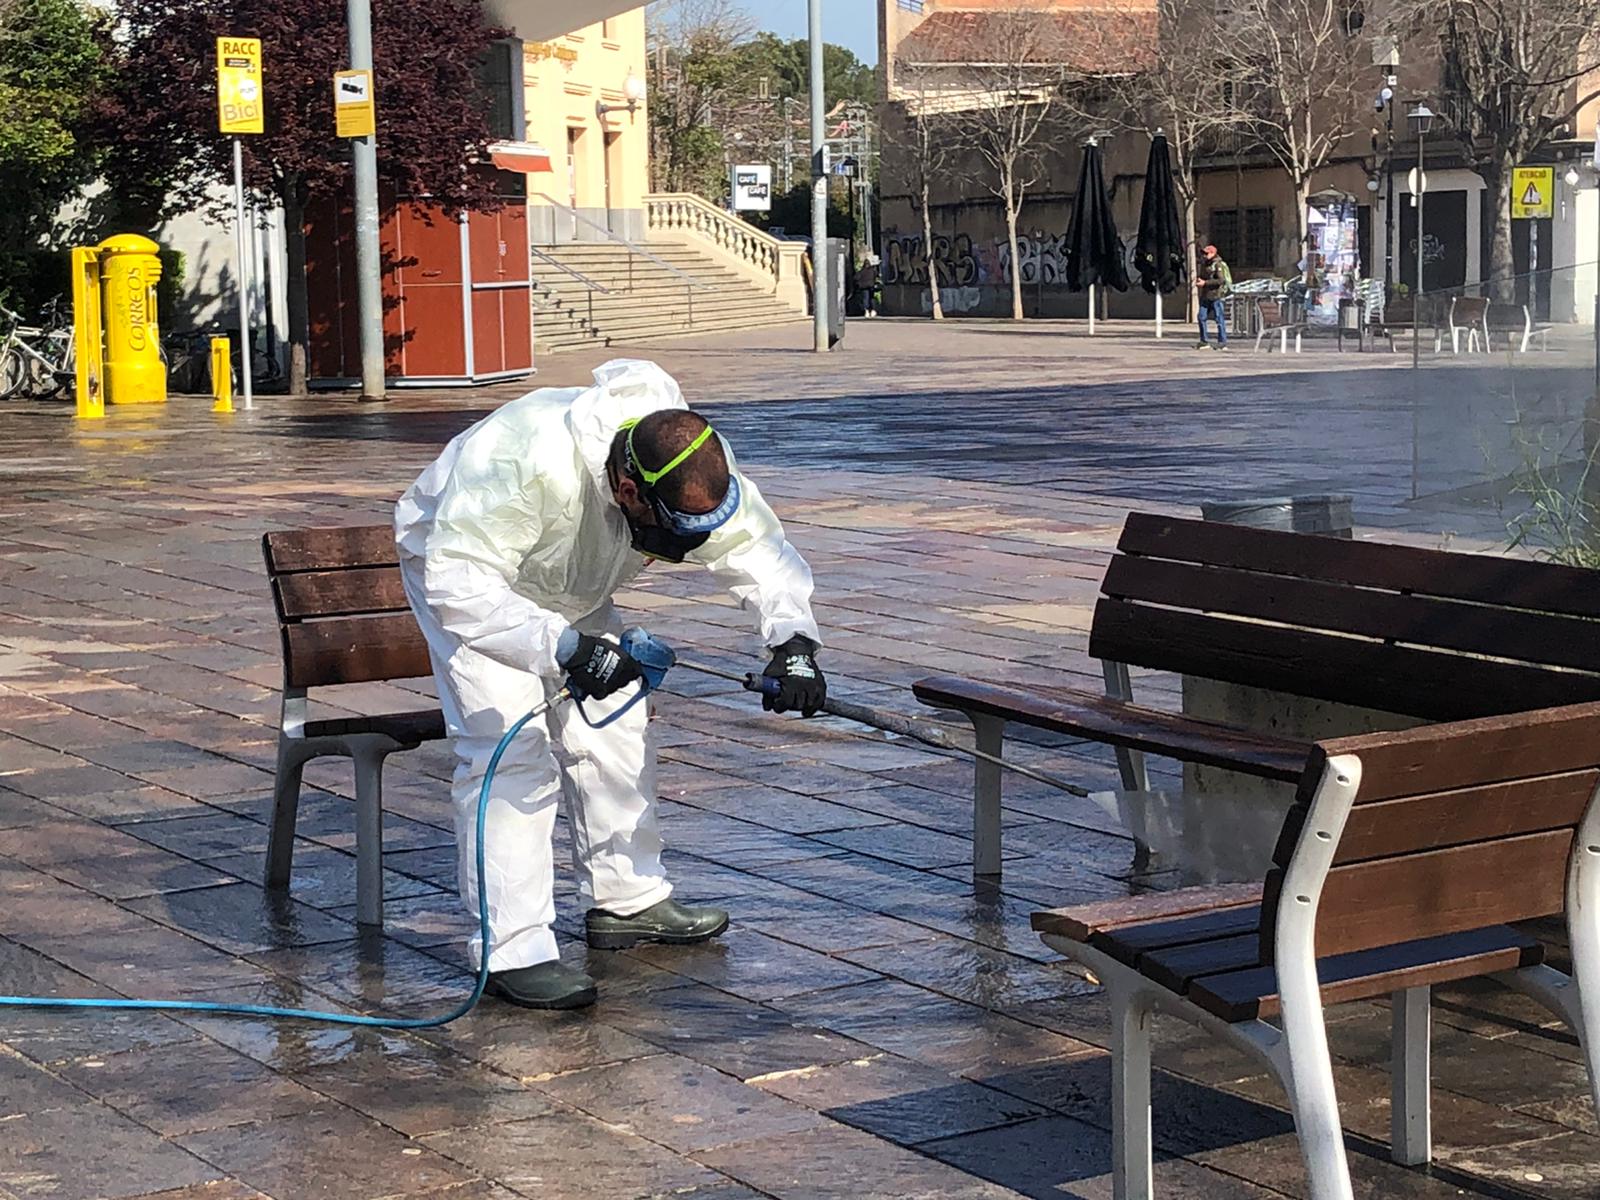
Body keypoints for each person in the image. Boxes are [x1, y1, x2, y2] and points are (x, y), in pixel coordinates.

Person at [395, 359, 826, 1011]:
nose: (683, 548)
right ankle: (513, 952)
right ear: (627, 488)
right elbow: (460, 585)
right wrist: (563, 647)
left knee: (616, 723)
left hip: (572, 582)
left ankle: (627, 901)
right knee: (510, 751)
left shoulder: (692, 457)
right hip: (473, 576)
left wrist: (791, 643)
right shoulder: (522, 458)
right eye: (673, 533)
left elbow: (757, 549)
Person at [1194, 243, 1233, 350]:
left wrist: (1205, 283)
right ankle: (1204, 341)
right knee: (1201, 317)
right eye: (1203, 253)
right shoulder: (1204, 264)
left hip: (1216, 296)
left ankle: (1222, 342)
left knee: (1219, 319)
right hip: (1206, 296)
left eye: (1206, 253)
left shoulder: (1218, 265)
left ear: (1213, 253)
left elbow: (1221, 280)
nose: (1204, 255)